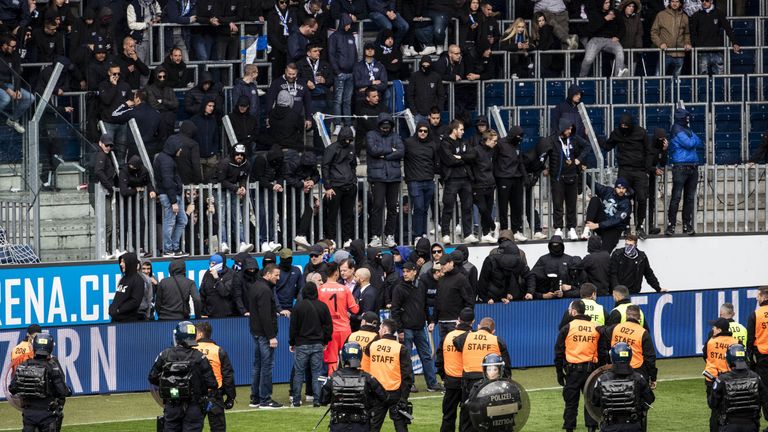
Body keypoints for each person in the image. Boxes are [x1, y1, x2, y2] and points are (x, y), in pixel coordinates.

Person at [147, 321, 217, 432]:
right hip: (194, 407)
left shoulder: (165, 354)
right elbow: (212, 383)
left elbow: (152, 377)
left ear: (177, 336)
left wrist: (169, 385)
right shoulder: (200, 357)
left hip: (172, 406)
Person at [453, 317, 512, 432]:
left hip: (469, 382)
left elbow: (456, 342)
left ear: (478, 326)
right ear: (493, 331)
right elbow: (506, 368)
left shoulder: (466, 337)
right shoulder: (497, 340)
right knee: (490, 415)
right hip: (490, 382)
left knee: (467, 416)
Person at [391, 261, 443, 392]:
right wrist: (400, 330)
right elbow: (395, 310)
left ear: (414, 271)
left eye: (408, 271)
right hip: (407, 328)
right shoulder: (399, 288)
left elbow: (424, 305)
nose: (405, 274)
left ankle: (432, 383)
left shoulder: (421, 286)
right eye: (404, 272)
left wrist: (430, 320)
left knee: (426, 356)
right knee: (407, 358)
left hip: (420, 327)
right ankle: (410, 384)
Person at [319, 342, 388, 431]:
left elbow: (323, 401)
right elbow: (384, 397)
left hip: (338, 425)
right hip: (361, 425)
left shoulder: (333, 378)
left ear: (343, 356)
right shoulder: (367, 378)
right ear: (360, 356)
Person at [554, 299, 601, 432]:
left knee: (571, 403)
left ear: (574, 311)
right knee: (590, 402)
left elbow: (558, 352)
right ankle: (591, 429)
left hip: (572, 372)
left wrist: (559, 372)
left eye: (570, 311)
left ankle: (569, 429)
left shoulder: (567, 327)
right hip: (591, 371)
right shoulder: (595, 327)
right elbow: (602, 350)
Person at [9, 333, 71, 432]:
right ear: (50, 348)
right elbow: (63, 391)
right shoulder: (52, 367)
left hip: (28, 414)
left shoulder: (24, 366)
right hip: (47, 415)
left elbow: (12, 388)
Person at [603, 114, 652, 238]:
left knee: (641, 198)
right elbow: (607, 146)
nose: (624, 127)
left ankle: (639, 225)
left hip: (639, 171)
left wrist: (647, 168)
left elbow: (649, 150)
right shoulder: (617, 133)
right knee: (624, 198)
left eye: (626, 126)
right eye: (622, 125)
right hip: (624, 170)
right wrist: (593, 137)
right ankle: (625, 225)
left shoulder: (641, 132)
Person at [590, 342, 655, 432]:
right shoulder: (638, 378)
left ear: (612, 357)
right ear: (630, 357)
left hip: (609, 426)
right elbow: (650, 399)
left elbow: (595, 402)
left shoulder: (602, 379)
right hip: (633, 426)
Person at [543, 119, 589, 240]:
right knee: (558, 204)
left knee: (571, 204)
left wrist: (578, 159)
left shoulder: (574, 138)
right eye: (567, 129)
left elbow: (587, 146)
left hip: (572, 176)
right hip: (558, 177)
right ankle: (558, 228)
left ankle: (571, 228)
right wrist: (544, 167)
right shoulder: (552, 140)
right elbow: (543, 154)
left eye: (571, 129)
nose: (569, 131)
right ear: (562, 128)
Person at [247, 261, 284, 409]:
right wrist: (271, 337)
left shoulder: (256, 286)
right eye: (276, 275)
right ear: (267, 275)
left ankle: (255, 398)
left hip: (256, 332)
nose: (278, 278)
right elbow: (265, 315)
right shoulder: (264, 290)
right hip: (264, 335)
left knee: (258, 366)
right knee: (266, 367)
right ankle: (265, 399)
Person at [289, 281, 333, 407]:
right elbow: (328, 326)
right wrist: (325, 341)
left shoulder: (298, 306)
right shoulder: (322, 306)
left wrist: (292, 342)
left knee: (298, 373)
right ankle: (317, 399)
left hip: (301, 344)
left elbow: (293, 327)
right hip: (318, 344)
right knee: (316, 373)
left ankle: (296, 400)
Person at [367, 319, 414, 432]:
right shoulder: (400, 348)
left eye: (380, 328)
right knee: (400, 426)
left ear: (384, 330)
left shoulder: (373, 346)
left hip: (377, 392)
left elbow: (366, 350)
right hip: (395, 392)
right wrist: (404, 397)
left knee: (373, 426)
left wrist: (380, 336)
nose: (378, 330)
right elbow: (407, 375)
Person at [708, 344, 768, 432]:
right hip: (751, 426)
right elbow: (766, 401)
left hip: (728, 426)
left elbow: (712, 403)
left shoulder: (722, 380)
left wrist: (713, 386)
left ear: (728, 359)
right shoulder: (756, 377)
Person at [366, 112, 404, 248]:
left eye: (388, 126)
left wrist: (385, 155)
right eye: (383, 126)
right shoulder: (371, 134)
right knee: (377, 206)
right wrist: (391, 150)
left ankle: (389, 235)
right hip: (377, 176)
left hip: (393, 176)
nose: (386, 129)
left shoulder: (396, 136)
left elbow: (401, 151)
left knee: (393, 207)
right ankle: (375, 235)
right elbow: (373, 150)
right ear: (379, 125)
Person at [439, 120, 478, 244]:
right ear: (454, 130)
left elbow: (473, 156)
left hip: (466, 179)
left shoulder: (464, 142)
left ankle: (467, 234)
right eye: (461, 129)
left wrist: (460, 157)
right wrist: (463, 158)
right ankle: (445, 234)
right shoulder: (445, 143)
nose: (463, 132)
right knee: (448, 207)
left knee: (467, 207)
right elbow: (450, 160)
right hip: (451, 179)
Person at [666, 108, 703, 236]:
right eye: (686, 117)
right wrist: (693, 140)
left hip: (692, 166)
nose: (688, 119)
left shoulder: (687, 129)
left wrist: (693, 140)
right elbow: (689, 143)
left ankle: (687, 225)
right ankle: (671, 225)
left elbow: (700, 142)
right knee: (676, 197)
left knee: (689, 198)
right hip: (680, 167)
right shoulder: (676, 128)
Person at [436, 308, 474, 432]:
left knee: (448, 416)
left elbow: (439, 360)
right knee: (467, 417)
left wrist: (444, 377)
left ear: (458, 320)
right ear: (472, 322)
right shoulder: (473, 338)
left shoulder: (448, 336)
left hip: (451, 381)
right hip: (468, 381)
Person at [319, 262, 361, 374]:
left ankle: (332, 387)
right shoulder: (345, 289)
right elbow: (355, 310)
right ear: (336, 273)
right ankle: (348, 386)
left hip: (329, 331)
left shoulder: (320, 290)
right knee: (348, 359)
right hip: (344, 330)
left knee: (332, 361)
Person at [194, 322, 236, 432]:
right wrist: (231, 397)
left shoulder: (191, 349)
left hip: (195, 396)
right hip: (214, 395)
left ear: (200, 334)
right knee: (218, 428)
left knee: (193, 427)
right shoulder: (218, 350)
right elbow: (228, 375)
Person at [322, 126, 358, 252]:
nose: (348, 142)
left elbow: (353, 165)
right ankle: (331, 238)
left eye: (350, 140)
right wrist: (327, 186)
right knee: (331, 214)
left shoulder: (352, 148)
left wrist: (354, 180)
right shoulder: (331, 149)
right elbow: (325, 167)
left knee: (348, 214)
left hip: (349, 185)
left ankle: (347, 238)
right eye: (346, 140)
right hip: (335, 186)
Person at [603, 305, 657, 388]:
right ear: (639, 317)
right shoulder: (643, 332)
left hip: (617, 370)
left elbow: (602, 330)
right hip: (637, 371)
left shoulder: (616, 327)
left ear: (626, 315)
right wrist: (653, 377)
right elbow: (650, 358)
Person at [153, 136, 189, 258]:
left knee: (182, 220)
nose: (181, 151)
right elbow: (167, 181)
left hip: (173, 195)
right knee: (170, 222)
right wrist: (173, 201)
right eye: (179, 148)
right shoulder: (166, 161)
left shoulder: (166, 159)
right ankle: (168, 249)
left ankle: (174, 247)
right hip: (170, 196)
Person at [404, 122, 438, 241]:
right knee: (418, 208)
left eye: (425, 131)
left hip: (429, 180)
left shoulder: (432, 144)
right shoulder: (408, 143)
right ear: (417, 131)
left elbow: (435, 161)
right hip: (414, 181)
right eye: (420, 130)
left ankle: (423, 233)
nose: (423, 133)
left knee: (425, 208)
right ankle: (417, 235)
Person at [704, 317, 740, 431]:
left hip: (712, 379)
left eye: (714, 328)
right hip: (730, 380)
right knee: (730, 409)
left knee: (714, 410)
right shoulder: (735, 342)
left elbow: (705, 356)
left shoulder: (711, 341)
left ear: (719, 330)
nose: (712, 329)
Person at [216, 144, 253, 254]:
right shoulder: (224, 163)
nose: (239, 157)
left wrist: (242, 187)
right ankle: (223, 243)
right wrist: (236, 188)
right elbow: (221, 180)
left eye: (242, 155)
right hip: (219, 190)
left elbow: (243, 177)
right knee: (222, 217)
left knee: (238, 216)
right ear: (233, 154)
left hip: (232, 190)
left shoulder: (246, 164)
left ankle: (241, 242)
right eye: (237, 154)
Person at [495, 126, 528, 243]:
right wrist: (496, 177)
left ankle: (516, 231)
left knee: (517, 206)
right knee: (503, 207)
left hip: (517, 179)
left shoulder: (517, 144)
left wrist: (525, 177)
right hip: (504, 179)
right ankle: (504, 231)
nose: (519, 139)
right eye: (518, 136)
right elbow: (494, 160)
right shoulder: (500, 144)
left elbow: (520, 162)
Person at [580, 178, 632, 252]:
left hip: (613, 229)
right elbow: (594, 185)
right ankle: (587, 229)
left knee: (605, 252)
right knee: (595, 200)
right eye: (619, 188)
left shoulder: (626, 203)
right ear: (615, 188)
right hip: (602, 222)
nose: (621, 190)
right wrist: (582, 171)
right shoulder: (608, 191)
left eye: (623, 188)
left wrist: (597, 225)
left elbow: (616, 220)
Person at [690, 0, 740, 76]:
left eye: (706, 0)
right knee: (703, 78)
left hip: (717, 50)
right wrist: (696, 45)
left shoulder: (719, 13)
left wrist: (735, 42)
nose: (704, 2)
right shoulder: (696, 15)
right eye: (702, 0)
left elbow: (728, 29)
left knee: (720, 78)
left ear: (711, 1)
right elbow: (693, 32)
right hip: (702, 52)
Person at [580, 0, 629, 77]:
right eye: (606, 3)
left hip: (610, 40)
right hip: (595, 39)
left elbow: (622, 28)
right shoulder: (594, 12)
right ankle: (582, 77)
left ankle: (619, 73)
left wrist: (618, 37)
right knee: (588, 59)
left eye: (609, 2)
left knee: (619, 51)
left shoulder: (615, 12)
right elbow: (591, 28)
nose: (608, 4)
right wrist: (605, 19)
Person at [434, 253, 475, 344]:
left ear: (451, 263)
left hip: (455, 322)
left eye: (444, 264)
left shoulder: (461, 279)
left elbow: (469, 300)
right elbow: (437, 300)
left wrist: (463, 321)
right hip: (442, 321)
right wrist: (434, 320)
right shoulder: (441, 279)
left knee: (457, 349)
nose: (442, 266)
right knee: (444, 350)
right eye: (441, 264)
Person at [328, 14, 357, 131]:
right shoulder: (334, 37)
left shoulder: (351, 37)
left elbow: (355, 54)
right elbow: (331, 55)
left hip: (351, 74)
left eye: (350, 24)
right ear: (342, 23)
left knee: (347, 101)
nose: (348, 27)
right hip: (340, 74)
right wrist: (337, 71)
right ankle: (338, 124)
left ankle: (348, 124)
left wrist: (354, 70)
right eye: (347, 24)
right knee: (338, 100)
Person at [530, 235, 582, 299]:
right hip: (547, 296)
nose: (555, 247)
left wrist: (570, 288)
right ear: (550, 246)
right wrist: (541, 295)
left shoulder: (569, 259)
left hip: (567, 295)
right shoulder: (543, 259)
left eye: (557, 245)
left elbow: (578, 279)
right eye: (553, 245)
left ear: (562, 245)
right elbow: (532, 276)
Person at [0, 34, 34, 134]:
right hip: (2, 85)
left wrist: (17, 89)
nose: (14, 49)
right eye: (12, 46)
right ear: (4, 45)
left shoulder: (15, 55)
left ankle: (12, 120)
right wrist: (8, 90)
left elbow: (16, 74)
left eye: (15, 46)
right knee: (6, 99)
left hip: (8, 84)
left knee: (30, 98)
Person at [651, 0, 691, 77]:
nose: (675, 4)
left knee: (677, 80)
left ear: (680, 3)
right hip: (665, 53)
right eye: (672, 1)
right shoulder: (661, 15)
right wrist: (660, 43)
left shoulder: (684, 16)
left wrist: (687, 43)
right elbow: (654, 32)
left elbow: (687, 33)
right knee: (658, 77)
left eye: (677, 1)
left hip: (680, 54)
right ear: (669, 2)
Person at [470, 130, 498, 243]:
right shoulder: (476, 150)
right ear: (487, 140)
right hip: (478, 185)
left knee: (489, 209)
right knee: (483, 209)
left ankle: (486, 233)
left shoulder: (492, 151)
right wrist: (473, 178)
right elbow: (468, 163)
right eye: (494, 141)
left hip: (490, 185)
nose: (496, 143)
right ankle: (493, 225)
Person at [406, 56, 445, 123]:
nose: (426, 67)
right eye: (424, 65)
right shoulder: (414, 76)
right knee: (421, 133)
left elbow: (441, 95)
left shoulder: (436, 77)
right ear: (421, 64)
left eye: (428, 65)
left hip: (433, 115)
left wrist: (438, 111)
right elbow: (410, 95)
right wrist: (414, 112)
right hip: (418, 115)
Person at [108, 252, 145, 322]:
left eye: (123, 262)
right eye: (120, 261)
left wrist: (119, 310)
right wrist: (112, 307)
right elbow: (118, 297)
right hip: (116, 320)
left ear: (130, 263)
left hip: (128, 322)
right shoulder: (123, 278)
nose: (120, 264)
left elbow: (135, 301)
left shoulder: (138, 280)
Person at [746, 287, 768, 389]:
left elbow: (750, 338)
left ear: (764, 297)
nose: (756, 298)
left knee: (764, 385)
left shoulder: (755, 315)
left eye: (758, 295)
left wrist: (750, 357)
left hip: (762, 354)